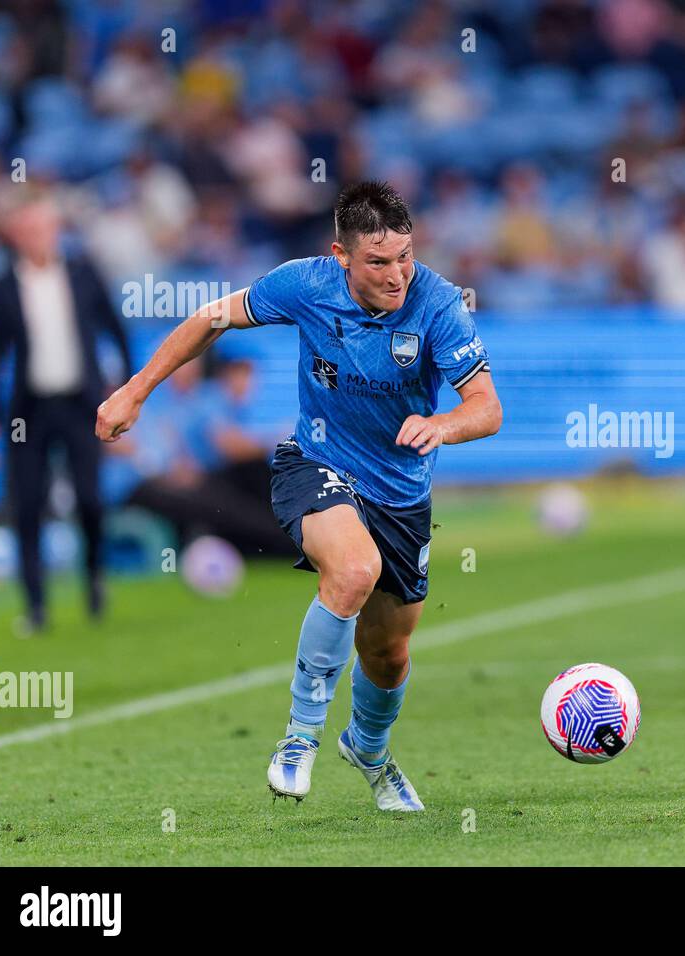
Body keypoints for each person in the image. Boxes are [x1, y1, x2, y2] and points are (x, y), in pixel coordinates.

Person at [95, 181, 501, 811]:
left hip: (402, 496)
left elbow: (487, 408)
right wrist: (136, 391)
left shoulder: (439, 305)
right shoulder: (304, 284)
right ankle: (300, 735)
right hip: (315, 462)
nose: (397, 275)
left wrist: (442, 424)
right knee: (353, 570)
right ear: (340, 255)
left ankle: (367, 747)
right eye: (378, 262)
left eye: (405, 257)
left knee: (389, 653)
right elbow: (210, 318)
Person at [0, 188, 132, 632]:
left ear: (56, 230)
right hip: (29, 411)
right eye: (27, 229)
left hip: (82, 405)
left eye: (43, 227)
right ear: (15, 235)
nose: (37, 236)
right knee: (26, 504)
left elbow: (115, 331)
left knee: (89, 499)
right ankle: (36, 604)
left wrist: (124, 390)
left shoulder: (83, 274)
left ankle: (95, 581)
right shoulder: (2, 287)